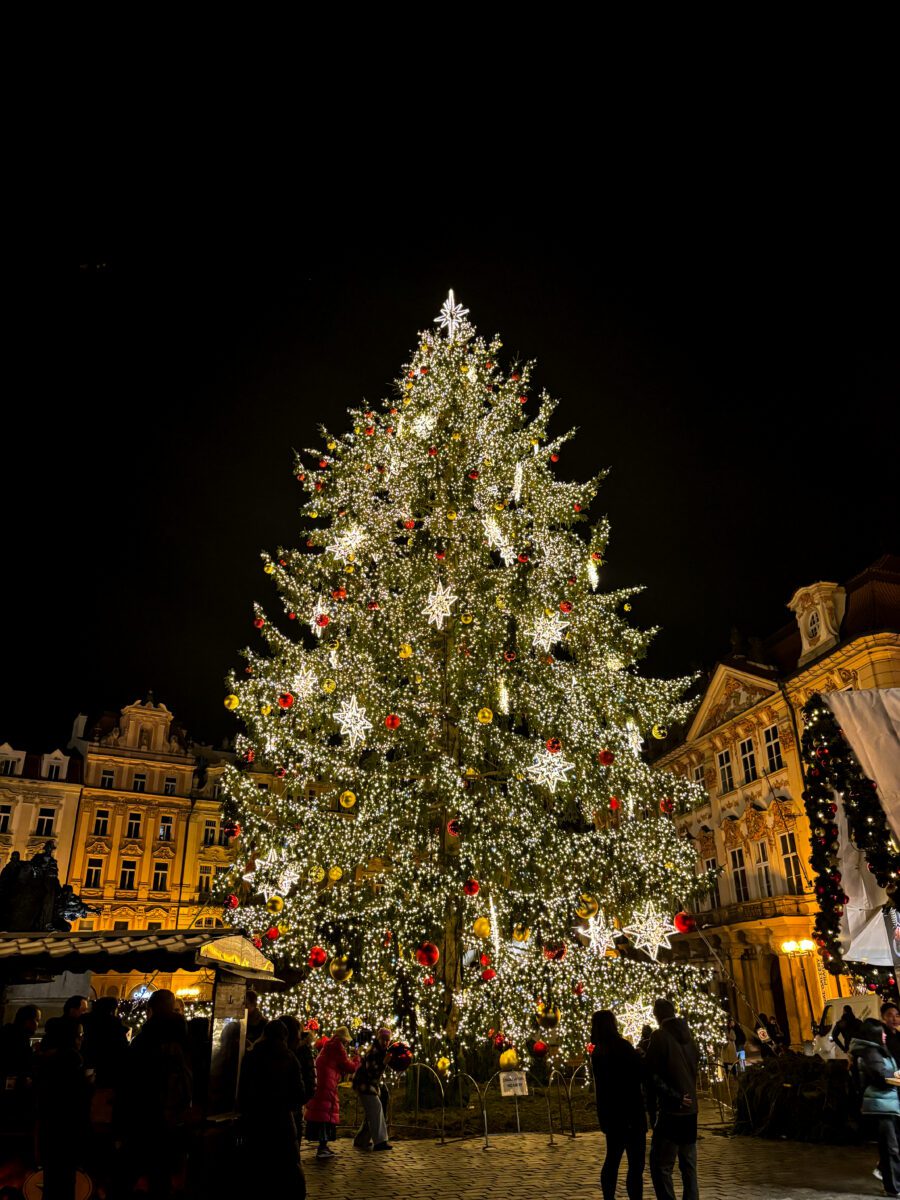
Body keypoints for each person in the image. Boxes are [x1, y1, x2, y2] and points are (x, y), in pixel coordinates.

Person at [118, 988, 192, 1196]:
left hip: (144, 1114)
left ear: (151, 1010)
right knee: (160, 1174)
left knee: (131, 1171)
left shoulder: (145, 1041)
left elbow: (130, 1080)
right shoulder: (182, 1042)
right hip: (170, 1115)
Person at [239, 1021, 306, 1197]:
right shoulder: (290, 1057)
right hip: (282, 1121)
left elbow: (243, 1088)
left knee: (259, 1167)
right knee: (285, 1166)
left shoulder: (252, 1056)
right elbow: (299, 1093)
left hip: (257, 1120)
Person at [645, 998, 700, 1200]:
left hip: (673, 1109)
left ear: (657, 1015)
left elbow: (652, 1074)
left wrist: (673, 1097)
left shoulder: (660, 1036)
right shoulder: (688, 1035)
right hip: (691, 1108)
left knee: (661, 1165)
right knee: (689, 1166)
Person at [590, 1010, 647, 1200]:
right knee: (635, 1164)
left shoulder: (598, 1052)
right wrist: (639, 1057)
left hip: (611, 1113)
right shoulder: (623, 1047)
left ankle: (609, 1197)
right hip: (631, 1111)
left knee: (612, 1159)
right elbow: (639, 1074)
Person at [36, 1016, 90, 1200]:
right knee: (64, 1184)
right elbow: (75, 1102)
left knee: (53, 1182)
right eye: (79, 1035)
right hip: (66, 1133)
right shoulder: (70, 1061)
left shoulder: (45, 1060)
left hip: (49, 1133)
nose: (81, 1039)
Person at [849, 1017, 900, 1196]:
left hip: (887, 1103)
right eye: (882, 1032)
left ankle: (893, 1184)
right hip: (880, 1104)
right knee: (890, 1148)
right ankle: (893, 1187)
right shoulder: (871, 1053)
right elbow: (881, 1077)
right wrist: (895, 1077)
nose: (885, 1035)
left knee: (891, 1147)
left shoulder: (877, 1050)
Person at [304, 1025, 359, 1158]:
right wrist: (357, 1059)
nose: (347, 1043)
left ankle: (323, 1146)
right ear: (343, 1039)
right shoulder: (337, 1047)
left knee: (322, 1113)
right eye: (346, 1040)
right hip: (327, 1084)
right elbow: (349, 1066)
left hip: (322, 1082)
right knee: (325, 1115)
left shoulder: (329, 1045)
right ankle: (322, 1148)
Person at [352, 1027, 394, 1151]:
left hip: (369, 1085)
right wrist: (384, 1063)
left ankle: (361, 1140)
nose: (386, 1042)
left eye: (388, 1040)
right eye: (383, 1039)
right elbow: (371, 1072)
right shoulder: (374, 1051)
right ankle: (380, 1141)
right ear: (379, 1038)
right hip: (364, 1084)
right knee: (376, 1109)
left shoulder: (382, 1051)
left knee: (372, 1112)